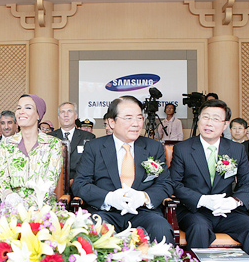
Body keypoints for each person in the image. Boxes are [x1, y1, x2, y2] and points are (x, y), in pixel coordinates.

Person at [169, 99, 249, 262]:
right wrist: (203, 200)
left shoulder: (235, 149)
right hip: (194, 211)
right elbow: (174, 184)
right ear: (199, 119)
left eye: (216, 119)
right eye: (205, 117)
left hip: (226, 211)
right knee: (199, 228)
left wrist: (234, 201)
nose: (209, 123)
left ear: (225, 124)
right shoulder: (183, 149)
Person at [73, 96, 174, 244]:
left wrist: (143, 197)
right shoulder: (94, 147)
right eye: (128, 118)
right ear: (111, 122)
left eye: (139, 118)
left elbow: (165, 184)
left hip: (143, 212)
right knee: (93, 230)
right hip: (105, 212)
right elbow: (80, 184)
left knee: (161, 229)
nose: (136, 123)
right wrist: (109, 198)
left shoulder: (153, 147)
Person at [0, 95, 62, 212]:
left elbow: (50, 183)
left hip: (42, 207)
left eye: (28, 108)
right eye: (19, 108)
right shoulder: (6, 144)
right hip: (11, 206)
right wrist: (10, 197)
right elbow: (1, 179)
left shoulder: (53, 144)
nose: (21, 112)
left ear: (38, 115)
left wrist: (25, 205)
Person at [49, 102, 95, 180]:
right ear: (58, 117)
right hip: (55, 183)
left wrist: (75, 180)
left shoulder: (88, 137)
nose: (66, 115)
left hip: (80, 182)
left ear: (76, 116)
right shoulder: (49, 137)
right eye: (62, 112)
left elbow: (91, 164)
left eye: (69, 111)